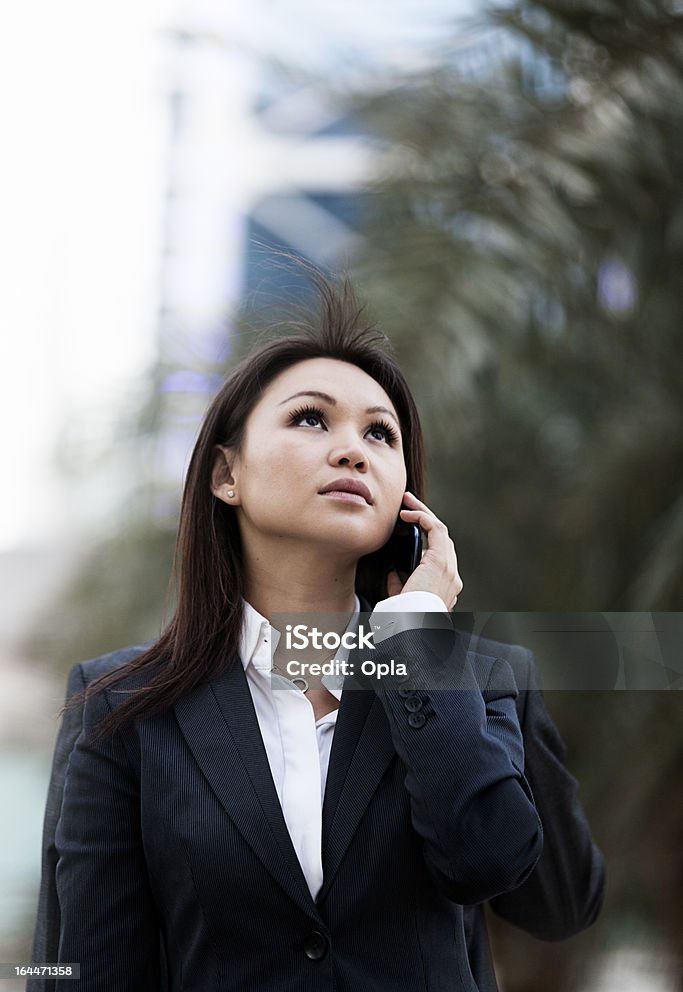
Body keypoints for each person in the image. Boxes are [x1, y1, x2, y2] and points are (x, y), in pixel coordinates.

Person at [28, 276, 604, 991]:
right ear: (224, 474)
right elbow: (84, 970)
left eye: (379, 434)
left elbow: (522, 883)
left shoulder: (476, 679)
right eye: (309, 419)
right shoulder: (118, 706)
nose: (352, 450)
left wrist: (416, 639)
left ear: (405, 496)